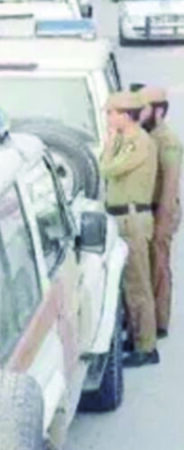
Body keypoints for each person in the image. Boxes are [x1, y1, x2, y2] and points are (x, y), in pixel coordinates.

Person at [101, 91, 159, 367]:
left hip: (132, 219)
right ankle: (136, 338)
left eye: (111, 113)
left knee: (137, 285)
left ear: (125, 115)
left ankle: (146, 346)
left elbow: (109, 169)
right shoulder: (124, 140)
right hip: (121, 217)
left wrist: (109, 146)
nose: (108, 118)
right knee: (127, 284)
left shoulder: (139, 143)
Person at [138, 86, 181, 339]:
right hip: (149, 209)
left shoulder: (167, 141)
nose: (139, 114)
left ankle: (159, 322)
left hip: (161, 210)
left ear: (158, 111)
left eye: (144, 109)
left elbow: (170, 185)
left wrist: (163, 221)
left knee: (159, 266)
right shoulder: (149, 136)